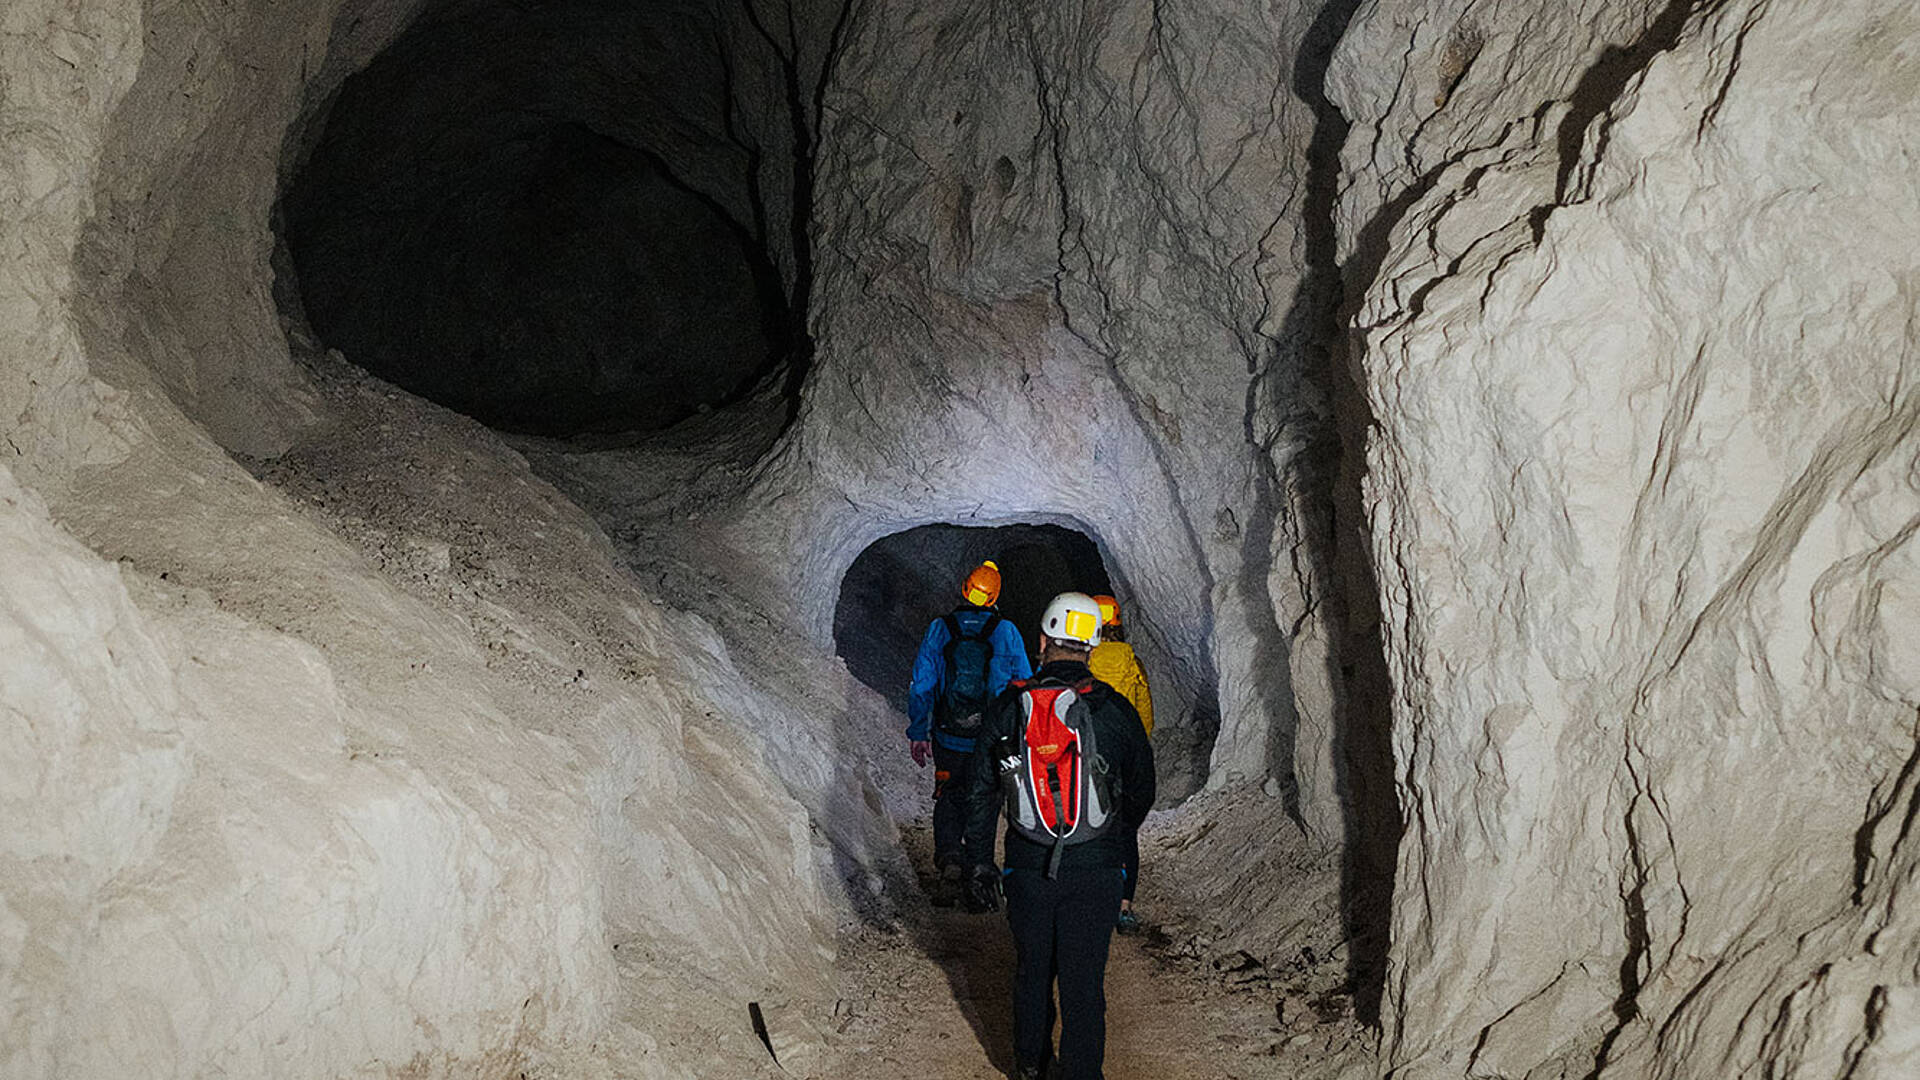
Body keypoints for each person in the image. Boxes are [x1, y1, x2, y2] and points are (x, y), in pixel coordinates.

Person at [962, 592, 1155, 1080]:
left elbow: (981, 793)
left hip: (1027, 864)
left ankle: (1031, 1068)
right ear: (1092, 646)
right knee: (1084, 982)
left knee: (1032, 973)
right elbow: (1142, 789)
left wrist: (981, 861)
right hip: (1096, 869)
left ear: (1042, 640)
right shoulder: (1114, 712)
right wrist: (1112, 834)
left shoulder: (1010, 707)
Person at [906, 559, 1033, 896]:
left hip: (948, 735)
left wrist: (919, 731)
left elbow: (922, 683)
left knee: (949, 794)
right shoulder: (1006, 632)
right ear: (994, 598)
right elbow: (1023, 686)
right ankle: (979, 869)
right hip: (989, 740)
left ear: (965, 589)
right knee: (985, 800)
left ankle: (949, 857)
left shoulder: (940, 628)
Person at [1086, 594, 1152, 933]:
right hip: (1123, 757)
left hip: (1086, 757)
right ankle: (1124, 907)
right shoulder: (1131, 661)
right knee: (1124, 832)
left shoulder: (1085, 660)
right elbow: (1145, 716)